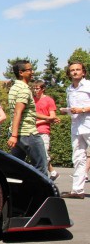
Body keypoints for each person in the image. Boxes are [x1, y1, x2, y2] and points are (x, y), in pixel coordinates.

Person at [7, 60, 48, 177]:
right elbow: (17, 112)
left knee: (15, 169)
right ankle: (43, 194)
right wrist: (14, 136)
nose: (32, 72)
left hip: (19, 136)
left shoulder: (14, 87)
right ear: (21, 72)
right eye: (29, 70)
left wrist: (48, 118)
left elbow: (27, 112)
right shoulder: (24, 89)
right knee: (41, 167)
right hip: (28, 135)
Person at [59, 61, 90, 199]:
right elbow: (71, 107)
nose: (75, 72)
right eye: (72, 70)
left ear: (83, 72)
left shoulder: (88, 85)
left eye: (78, 69)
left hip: (88, 124)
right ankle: (77, 190)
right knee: (78, 158)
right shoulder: (69, 89)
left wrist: (82, 109)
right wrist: (67, 111)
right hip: (76, 126)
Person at [32, 80, 61, 181]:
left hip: (43, 130)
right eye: (34, 88)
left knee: (43, 154)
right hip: (32, 130)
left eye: (37, 88)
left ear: (43, 89)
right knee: (37, 154)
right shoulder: (32, 100)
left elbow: (52, 116)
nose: (35, 90)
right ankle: (53, 172)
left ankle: (43, 178)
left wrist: (38, 122)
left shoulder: (49, 100)